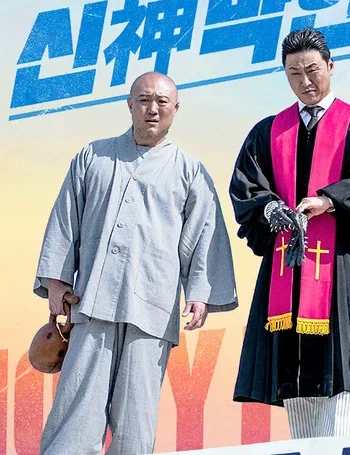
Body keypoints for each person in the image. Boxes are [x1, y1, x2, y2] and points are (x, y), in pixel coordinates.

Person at [33, 72, 238, 454]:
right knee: (77, 412)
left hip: (152, 309)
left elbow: (205, 233)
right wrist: (57, 280)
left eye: (162, 101)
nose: (152, 109)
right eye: (144, 100)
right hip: (91, 302)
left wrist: (199, 292)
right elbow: (65, 217)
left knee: (136, 421)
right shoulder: (93, 157)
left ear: (176, 108)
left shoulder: (189, 171)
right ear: (130, 104)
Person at [229, 27, 350, 439]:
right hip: (287, 265)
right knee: (293, 363)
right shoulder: (269, 131)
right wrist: (270, 208)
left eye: (312, 70)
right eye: (294, 73)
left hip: (341, 264)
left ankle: (337, 447)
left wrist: (329, 200)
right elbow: (247, 186)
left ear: (331, 66)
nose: (305, 81)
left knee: (340, 360)